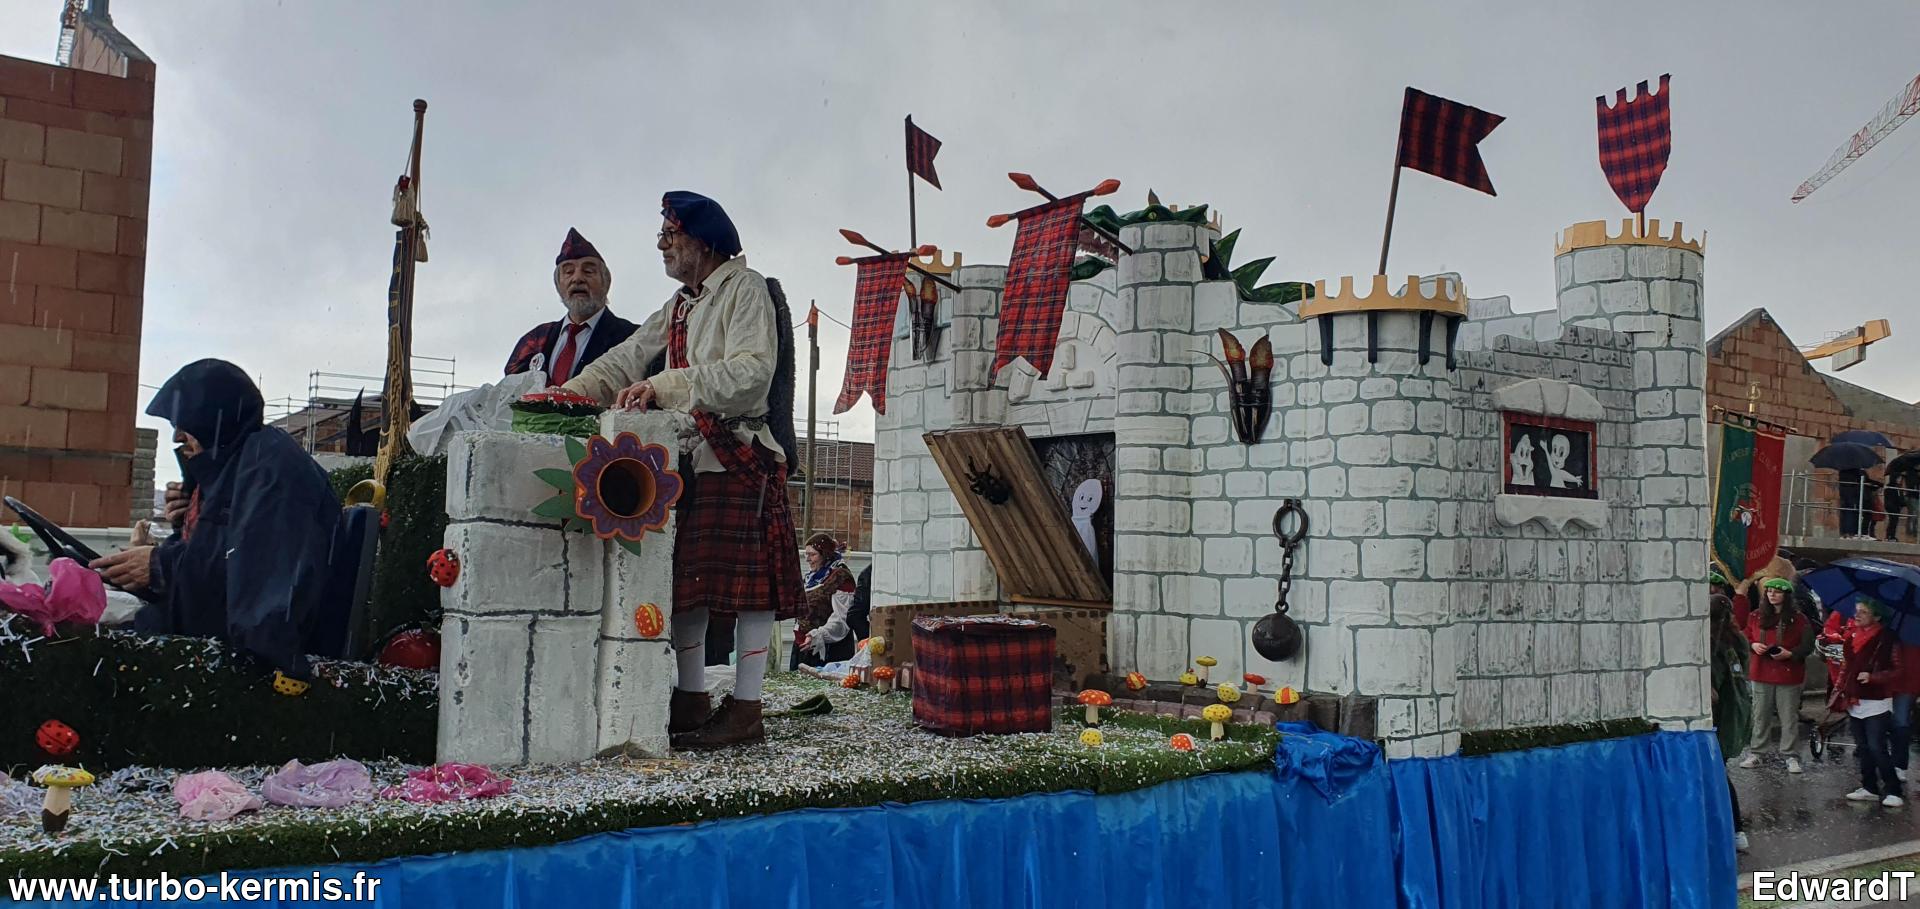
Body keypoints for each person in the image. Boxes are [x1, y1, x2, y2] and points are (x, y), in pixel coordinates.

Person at [562, 191, 802, 750]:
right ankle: (692, 699)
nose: (663, 246)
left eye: (670, 236)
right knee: (689, 586)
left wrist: (665, 385)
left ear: (702, 239)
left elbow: (751, 374)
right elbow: (625, 358)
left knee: (749, 592)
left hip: (739, 451)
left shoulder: (747, 290)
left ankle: (747, 708)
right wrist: (565, 395)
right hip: (690, 456)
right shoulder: (678, 305)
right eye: (662, 237)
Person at [89, 360, 342, 682]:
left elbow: (253, 573)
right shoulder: (242, 465)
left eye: (184, 423)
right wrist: (182, 530)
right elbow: (225, 557)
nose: (178, 437)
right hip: (203, 638)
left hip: (235, 662)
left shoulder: (271, 471)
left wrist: (160, 565)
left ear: (211, 418)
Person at [504, 228, 639, 382]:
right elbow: (510, 393)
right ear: (558, 285)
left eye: (588, 271)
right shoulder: (535, 339)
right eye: (568, 272)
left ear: (606, 283)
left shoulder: (632, 338)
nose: (577, 278)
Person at [1738, 578, 1813, 774]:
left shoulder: (1799, 619)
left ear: (1786, 595)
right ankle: (1757, 753)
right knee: (1760, 715)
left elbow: (1807, 645)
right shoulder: (1756, 616)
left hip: (1788, 674)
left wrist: (1791, 654)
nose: (1772, 595)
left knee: (1788, 717)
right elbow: (1745, 635)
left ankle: (1790, 755)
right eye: (1769, 591)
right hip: (1761, 671)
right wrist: (1753, 645)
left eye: (1777, 592)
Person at [1836, 600, 1905, 806]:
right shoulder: (1851, 637)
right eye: (1857, 611)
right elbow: (1846, 667)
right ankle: (1869, 786)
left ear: (1876, 617)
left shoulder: (1888, 639)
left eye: (1864, 612)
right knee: (1863, 747)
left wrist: (1873, 677)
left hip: (1877, 701)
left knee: (1877, 747)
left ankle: (1893, 789)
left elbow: (1898, 670)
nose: (1857, 616)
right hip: (1855, 698)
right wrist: (1840, 688)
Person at [1710, 594, 1752, 852]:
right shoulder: (1738, 640)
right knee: (1719, 772)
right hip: (1735, 714)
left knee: (1718, 775)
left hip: (1721, 718)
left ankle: (1735, 828)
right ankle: (1733, 829)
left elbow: (1712, 690)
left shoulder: (1718, 646)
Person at [796, 533, 858, 667]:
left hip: (829, 652)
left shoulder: (840, 577)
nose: (808, 559)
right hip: (805, 649)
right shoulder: (812, 577)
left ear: (825, 554)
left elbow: (842, 618)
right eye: (806, 554)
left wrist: (819, 635)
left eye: (812, 555)